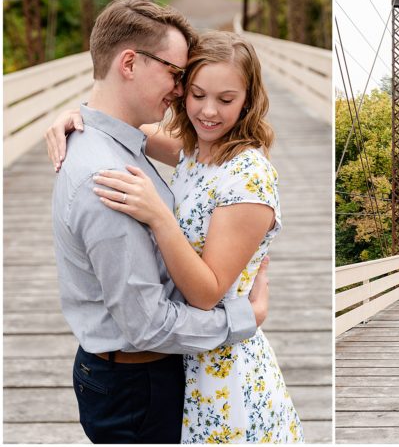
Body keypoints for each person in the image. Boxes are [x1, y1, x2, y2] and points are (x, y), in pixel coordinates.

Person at [48, 27, 304, 442]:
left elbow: (206, 292)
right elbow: (120, 125)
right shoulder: (193, 149)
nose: (209, 111)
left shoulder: (247, 176)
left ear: (248, 101)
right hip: (185, 358)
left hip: (224, 370)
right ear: (183, 89)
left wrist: (159, 217)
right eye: (198, 93)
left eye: (226, 100)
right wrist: (73, 118)